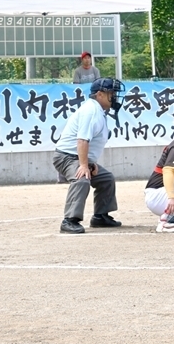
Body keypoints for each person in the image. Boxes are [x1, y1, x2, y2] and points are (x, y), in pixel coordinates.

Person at [54, 77, 126, 234]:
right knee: (82, 179)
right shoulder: (91, 111)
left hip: (78, 156)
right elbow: (82, 140)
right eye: (111, 93)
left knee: (106, 179)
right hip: (67, 156)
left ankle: (100, 216)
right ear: (99, 94)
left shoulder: (98, 111)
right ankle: (69, 220)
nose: (114, 97)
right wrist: (84, 165)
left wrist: (90, 163)